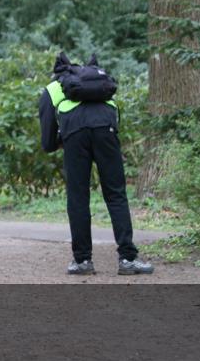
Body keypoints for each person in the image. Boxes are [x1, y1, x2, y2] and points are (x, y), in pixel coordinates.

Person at [38, 53, 153, 276]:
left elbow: (47, 141)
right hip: (105, 129)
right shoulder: (100, 85)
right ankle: (128, 259)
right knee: (116, 194)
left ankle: (82, 261)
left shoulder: (53, 88)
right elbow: (116, 116)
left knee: (78, 197)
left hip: (75, 134)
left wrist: (62, 141)